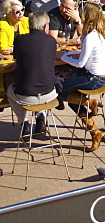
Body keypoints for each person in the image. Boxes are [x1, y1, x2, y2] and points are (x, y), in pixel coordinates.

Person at [58, 3, 105, 151]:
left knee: (57, 90)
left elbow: (81, 63)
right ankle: (94, 131)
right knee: (72, 100)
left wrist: (63, 57)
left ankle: (89, 102)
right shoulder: (100, 34)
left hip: (93, 79)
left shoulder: (90, 37)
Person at [7, 10, 59, 141]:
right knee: (43, 80)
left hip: (25, 96)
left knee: (9, 90)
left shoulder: (19, 39)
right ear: (45, 26)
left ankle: (23, 122)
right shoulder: (51, 42)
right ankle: (41, 118)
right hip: (49, 95)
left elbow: (18, 58)